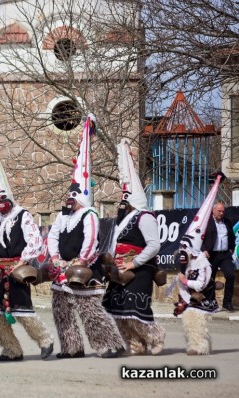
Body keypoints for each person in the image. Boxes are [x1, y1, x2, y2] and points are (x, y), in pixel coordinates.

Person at [47, 115, 125, 359]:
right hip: (63, 268)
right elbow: (52, 235)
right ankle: (72, 348)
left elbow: (91, 241)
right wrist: (56, 258)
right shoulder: (64, 215)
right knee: (61, 309)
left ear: (81, 197)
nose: (69, 199)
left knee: (90, 310)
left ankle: (110, 345)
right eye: (68, 196)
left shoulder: (89, 213)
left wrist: (81, 261)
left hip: (85, 269)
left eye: (73, 196)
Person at [0, 125, 54, 361]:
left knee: (22, 309)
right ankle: (12, 350)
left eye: (3, 198)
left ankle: (45, 340)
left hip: (17, 268)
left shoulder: (22, 215)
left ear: (9, 198)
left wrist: (21, 262)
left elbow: (35, 241)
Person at [102, 139, 166, 355]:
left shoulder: (145, 217)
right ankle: (135, 343)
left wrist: (134, 263)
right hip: (120, 268)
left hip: (140, 268)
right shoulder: (122, 220)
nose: (122, 201)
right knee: (118, 309)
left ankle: (155, 337)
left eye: (125, 198)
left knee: (134, 308)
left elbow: (154, 245)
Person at [166, 173, 223, 355]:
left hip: (203, 298)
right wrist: (182, 295)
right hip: (191, 298)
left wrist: (184, 282)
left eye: (186, 250)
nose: (183, 254)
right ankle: (196, 345)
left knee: (195, 320)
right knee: (188, 321)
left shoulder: (203, 263)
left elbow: (199, 283)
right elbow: (181, 280)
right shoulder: (188, 264)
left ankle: (200, 347)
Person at [202, 201, 236, 312]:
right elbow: (199, 237)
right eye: (219, 211)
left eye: (223, 211)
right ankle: (211, 302)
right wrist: (204, 250)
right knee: (209, 278)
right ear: (213, 210)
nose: (221, 213)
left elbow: (232, 236)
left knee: (230, 275)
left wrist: (231, 248)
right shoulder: (207, 222)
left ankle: (227, 303)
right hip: (212, 255)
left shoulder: (227, 222)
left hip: (225, 254)